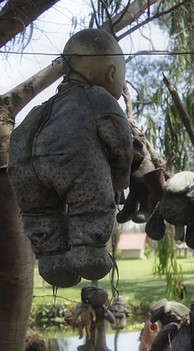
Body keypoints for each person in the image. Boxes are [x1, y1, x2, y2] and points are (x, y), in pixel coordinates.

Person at [8, 28, 132, 287]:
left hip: (23, 168)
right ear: (111, 73)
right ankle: (90, 252)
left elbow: (19, 136)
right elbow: (121, 142)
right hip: (74, 165)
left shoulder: (41, 110)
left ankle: (52, 258)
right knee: (91, 205)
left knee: (40, 215)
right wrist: (119, 177)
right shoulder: (96, 98)